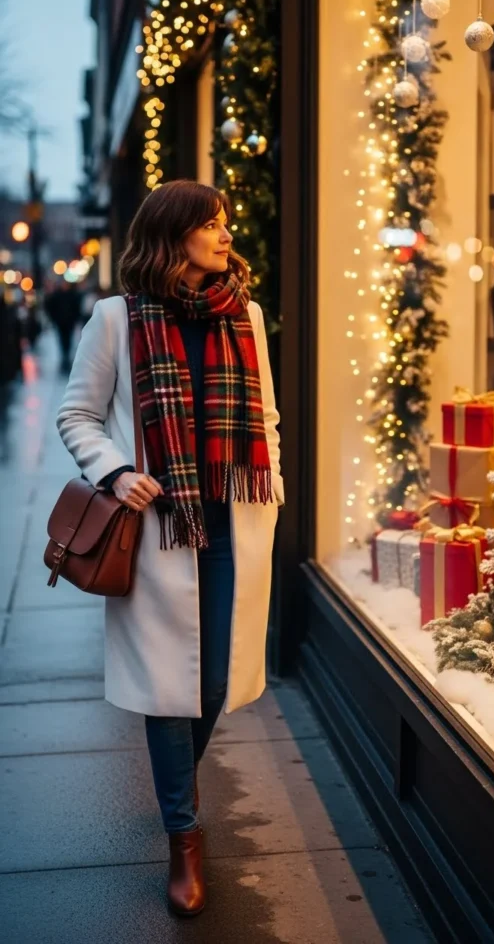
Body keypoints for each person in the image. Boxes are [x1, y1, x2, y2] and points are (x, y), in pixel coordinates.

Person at [56, 180, 283, 917]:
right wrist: (117, 471)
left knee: (211, 686)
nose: (225, 235)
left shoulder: (244, 314)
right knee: (167, 691)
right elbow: (78, 413)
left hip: (231, 524)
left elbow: (268, 419)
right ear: (171, 235)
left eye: (225, 223)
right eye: (209, 225)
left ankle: (176, 790)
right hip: (158, 530)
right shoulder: (116, 319)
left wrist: (271, 487)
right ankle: (184, 836)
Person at [44, 281, 82, 372]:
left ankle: (66, 357)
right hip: (61, 322)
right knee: (63, 340)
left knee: (67, 340)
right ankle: (65, 357)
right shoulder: (59, 295)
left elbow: (76, 307)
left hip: (68, 322)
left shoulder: (70, 295)